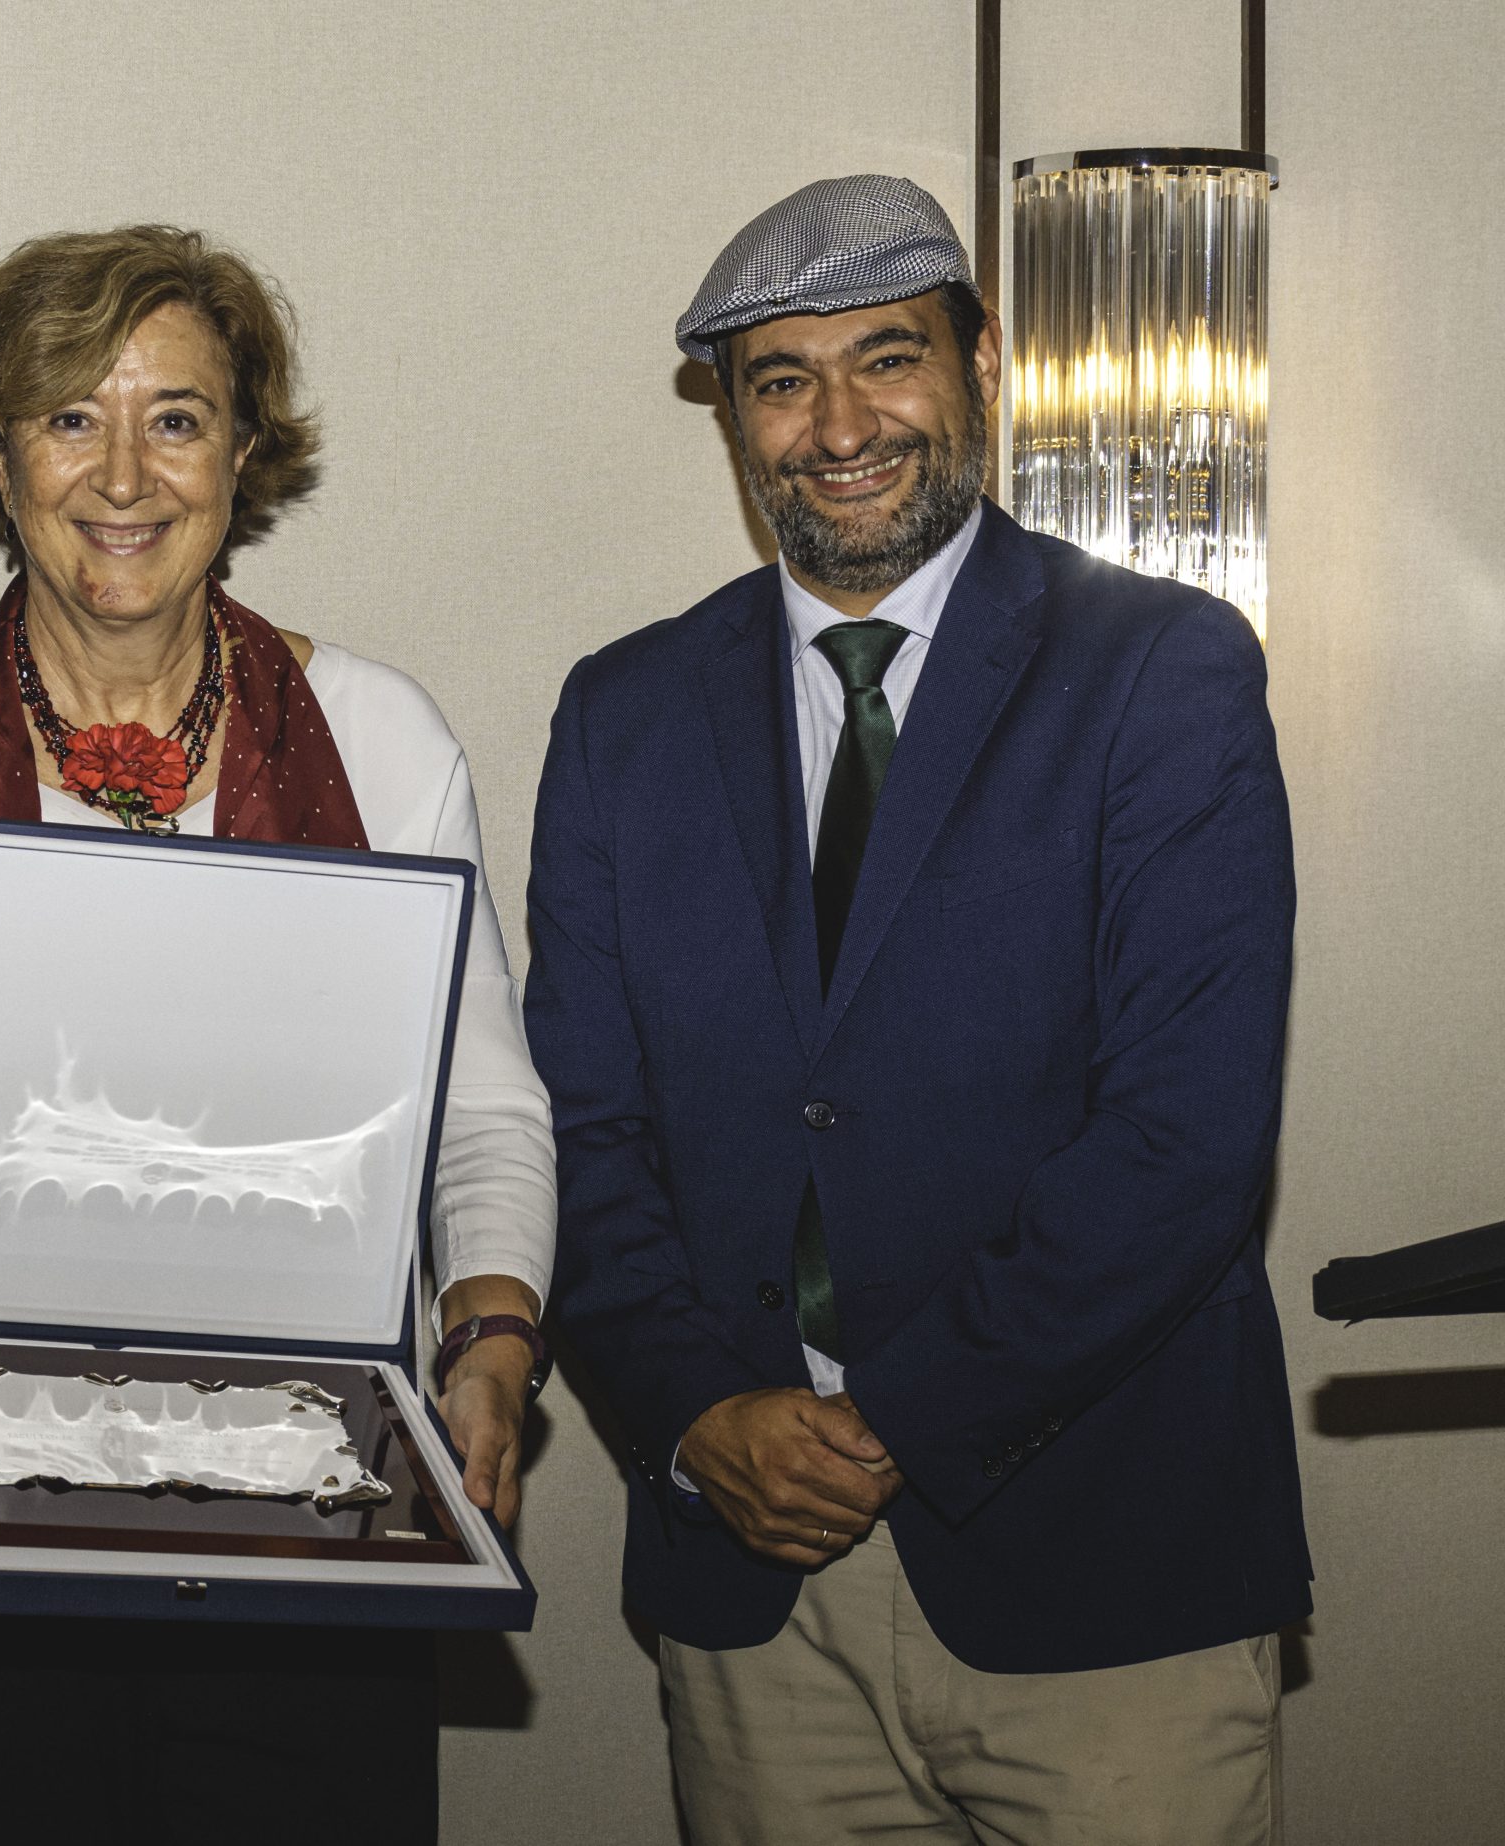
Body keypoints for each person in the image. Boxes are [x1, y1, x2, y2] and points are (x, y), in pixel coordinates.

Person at [0, 224, 556, 1842]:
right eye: (67, 416)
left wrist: (497, 1337)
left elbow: (484, 1110)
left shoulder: (384, 744)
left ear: (245, 458)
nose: (123, 473)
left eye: (175, 417)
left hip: (311, 1524)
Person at [526, 175, 1309, 1844]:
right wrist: (691, 1413)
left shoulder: (1163, 673)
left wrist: (891, 1420)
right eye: (781, 380)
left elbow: (1184, 1141)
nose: (839, 425)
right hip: (755, 1596)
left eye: (888, 358)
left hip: (1108, 1579)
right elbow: (579, 1129)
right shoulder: (622, 713)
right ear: (734, 418)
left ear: (985, 364)